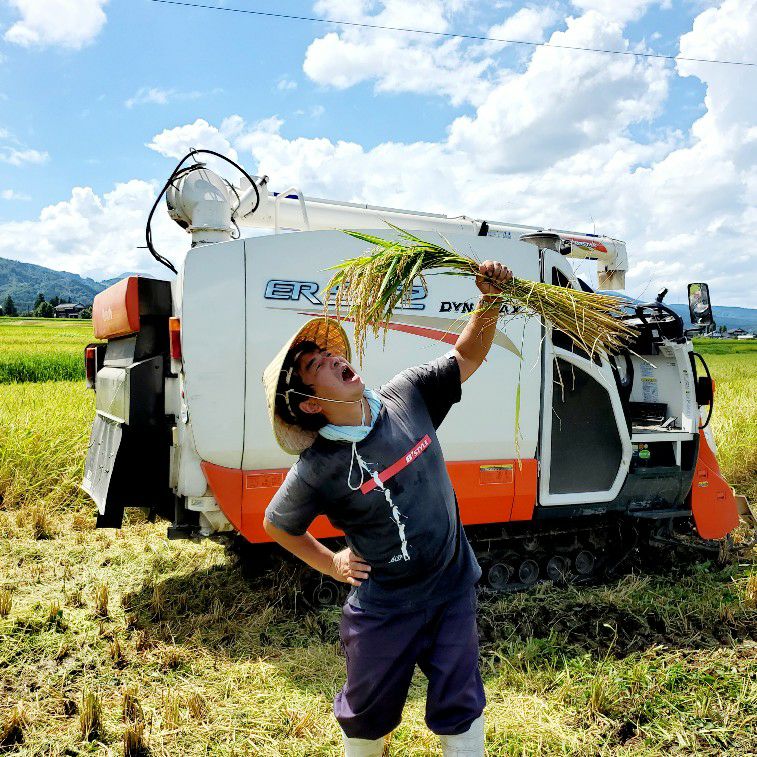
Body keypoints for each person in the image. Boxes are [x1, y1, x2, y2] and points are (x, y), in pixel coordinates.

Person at [261, 261, 513, 756]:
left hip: (449, 586)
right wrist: (332, 562)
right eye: (317, 366)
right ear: (311, 404)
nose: (335, 360)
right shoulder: (319, 466)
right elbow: (277, 523)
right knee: (366, 718)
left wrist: (490, 299)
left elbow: (467, 355)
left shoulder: (408, 395)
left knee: (461, 705)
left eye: (332, 354)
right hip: (385, 608)